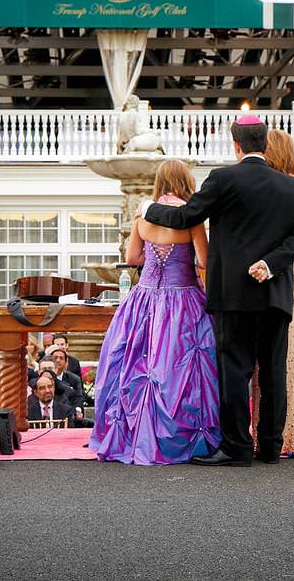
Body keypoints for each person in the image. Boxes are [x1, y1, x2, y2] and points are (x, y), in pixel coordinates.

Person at [142, 116, 294, 467]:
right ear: (265, 144)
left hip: (233, 296)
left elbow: (187, 216)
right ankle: (269, 448)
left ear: (236, 146)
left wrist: (150, 209)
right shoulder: (292, 188)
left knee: (235, 373)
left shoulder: (223, 179)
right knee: (273, 373)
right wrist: (271, 262)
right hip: (274, 294)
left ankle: (236, 448)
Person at [90, 159, 220, 465]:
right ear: (186, 181)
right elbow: (203, 260)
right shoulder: (191, 218)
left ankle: (131, 432)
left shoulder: (141, 215)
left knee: (134, 363)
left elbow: (133, 257)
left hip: (144, 299)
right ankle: (183, 435)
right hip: (182, 299)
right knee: (182, 366)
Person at [256, 129, 294, 455]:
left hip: (278, 269)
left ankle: (267, 433)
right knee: (289, 353)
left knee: (274, 354)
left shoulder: (271, 190)